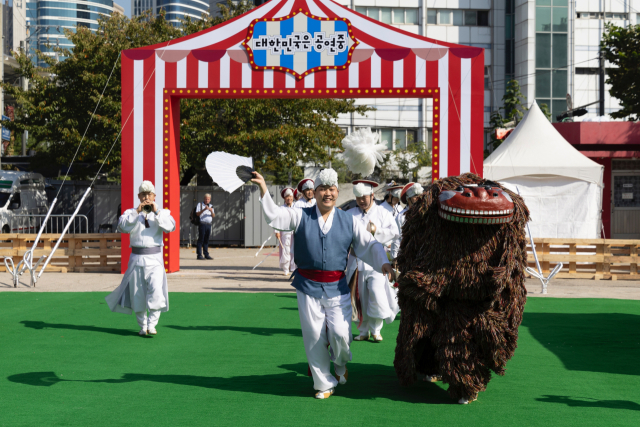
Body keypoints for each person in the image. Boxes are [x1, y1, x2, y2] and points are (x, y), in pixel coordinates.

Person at [251, 168, 394, 400]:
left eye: (331, 189)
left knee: (340, 334)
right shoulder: (300, 215)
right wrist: (263, 188)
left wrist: (384, 264)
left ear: (337, 192)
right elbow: (275, 217)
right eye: (322, 189)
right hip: (307, 287)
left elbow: (369, 245)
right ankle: (323, 383)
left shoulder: (349, 220)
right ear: (314, 192)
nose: (327, 193)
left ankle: (340, 364)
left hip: (337, 287)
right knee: (314, 336)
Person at [105, 181, 176, 336]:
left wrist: (157, 213)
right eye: (143, 194)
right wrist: (137, 212)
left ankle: (152, 324)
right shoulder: (131, 212)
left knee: (156, 291)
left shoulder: (162, 212)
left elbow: (171, 227)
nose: (146, 198)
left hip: (155, 258)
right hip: (136, 257)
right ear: (138, 196)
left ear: (154, 196)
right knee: (137, 294)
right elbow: (122, 227)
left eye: (149, 194)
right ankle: (143, 326)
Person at [346, 180, 399, 342]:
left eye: (364, 197)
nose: (361, 200)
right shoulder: (350, 214)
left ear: (372, 195)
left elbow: (394, 232)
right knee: (359, 296)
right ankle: (363, 330)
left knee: (376, 294)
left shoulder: (383, 212)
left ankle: (376, 329)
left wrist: (376, 231)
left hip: (376, 261)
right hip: (356, 261)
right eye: (358, 197)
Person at [390, 182, 424, 261]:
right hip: (407, 257)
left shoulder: (425, 213)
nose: (418, 198)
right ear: (408, 199)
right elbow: (396, 238)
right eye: (415, 196)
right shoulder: (401, 216)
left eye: (420, 196)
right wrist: (395, 257)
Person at [275, 187, 296, 275]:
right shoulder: (281, 209)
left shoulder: (296, 207)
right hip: (285, 233)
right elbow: (277, 220)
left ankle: (294, 268)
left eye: (290, 196)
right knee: (286, 250)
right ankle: (286, 268)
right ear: (284, 198)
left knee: (294, 250)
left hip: (295, 232)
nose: (289, 198)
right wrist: (277, 231)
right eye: (287, 197)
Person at [196, 194, 215, 260]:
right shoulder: (200, 204)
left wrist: (211, 210)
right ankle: (199, 255)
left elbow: (213, 216)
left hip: (209, 224)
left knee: (206, 240)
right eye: (206, 199)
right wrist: (204, 209)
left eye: (208, 199)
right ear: (204, 199)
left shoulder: (211, 206)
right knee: (201, 239)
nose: (207, 200)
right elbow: (197, 214)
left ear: (210, 200)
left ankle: (206, 254)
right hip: (202, 224)